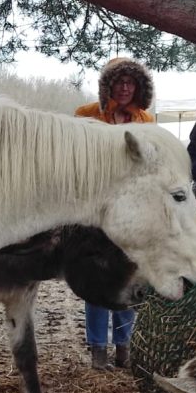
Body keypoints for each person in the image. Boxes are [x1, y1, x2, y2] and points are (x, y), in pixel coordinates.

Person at [74, 57, 155, 371]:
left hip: (130, 211)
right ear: (108, 85)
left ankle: (124, 347)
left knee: (127, 276)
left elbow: (149, 165)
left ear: (139, 87)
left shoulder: (146, 120)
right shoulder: (86, 115)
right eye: (119, 81)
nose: (124, 87)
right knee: (96, 278)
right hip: (93, 211)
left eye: (130, 82)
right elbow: (75, 160)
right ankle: (98, 349)